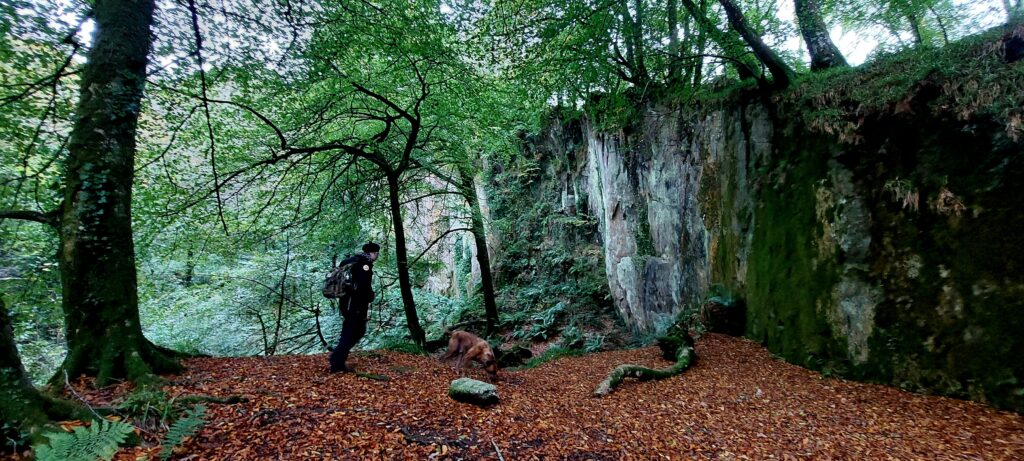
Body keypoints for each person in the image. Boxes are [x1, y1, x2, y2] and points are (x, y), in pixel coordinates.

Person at [328, 241, 379, 373]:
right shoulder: (364, 264)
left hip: (346, 303)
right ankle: (336, 361)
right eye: (376, 254)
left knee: (353, 330)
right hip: (356, 304)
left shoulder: (349, 261)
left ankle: (338, 358)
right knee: (354, 331)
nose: (377, 256)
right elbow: (362, 285)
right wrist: (370, 295)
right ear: (373, 253)